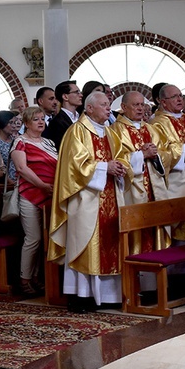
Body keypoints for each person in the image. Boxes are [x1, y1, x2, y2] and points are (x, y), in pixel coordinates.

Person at [48, 92, 129, 311]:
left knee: (111, 244)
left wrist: (121, 166)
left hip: (111, 194)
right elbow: (74, 167)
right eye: (104, 105)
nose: (108, 109)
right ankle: (81, 296)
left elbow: (122, 155)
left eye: (108, 105)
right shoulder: (77, 132)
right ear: (90, 108)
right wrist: (105, 167)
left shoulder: (111, 132)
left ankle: (109, 296)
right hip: (86, 199)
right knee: (86, 244)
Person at [112, 91, 175, 254]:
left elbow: (167, 154)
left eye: (142, 105)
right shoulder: (115, 131)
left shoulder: (151, 129)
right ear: (124, 107)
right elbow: (116, 159)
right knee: (137, 236)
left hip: (155, 190)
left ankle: (157, 276)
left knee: (156, 232)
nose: (140, 109)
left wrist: (157, 155)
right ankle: (136, 272)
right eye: (135, 105)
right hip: (132, 190)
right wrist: (140, 155)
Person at [11, 107, 58, 295]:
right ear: (26, 123)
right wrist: (41, 185)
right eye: (36, 119)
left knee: (46, 239)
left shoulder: (49, 143)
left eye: (42, 119)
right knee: (34, 238)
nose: (40, 122)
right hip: (30, 194)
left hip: (50, 195)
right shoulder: (20, 141)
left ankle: (38, 277)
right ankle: (24, 280)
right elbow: (21, 168)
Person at [150, 83, 185, 240]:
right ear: (163, 101)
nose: (179, 99)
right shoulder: (157, 124)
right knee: (178, 223)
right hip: (177, 180)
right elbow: (160, 155)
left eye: (180, 95)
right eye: (174, 96)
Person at [43, 80, 82, 151]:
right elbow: (61, 148)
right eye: (77, 92)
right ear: (65, 96)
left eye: (80, 92)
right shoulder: (56, 122)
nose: (81, 95)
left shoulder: (82, 117)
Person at [0, 110, 20, 181]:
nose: (14, 126)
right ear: (2, 123)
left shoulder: (16, 140)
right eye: (11, 123)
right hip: (5, 183)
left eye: (15, 123)